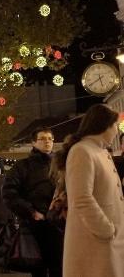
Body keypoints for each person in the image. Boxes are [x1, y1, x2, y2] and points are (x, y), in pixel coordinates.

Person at [55, 104, 124, 276]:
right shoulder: (82, 151)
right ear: (104, 125)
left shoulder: (100, 151)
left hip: (107, 240)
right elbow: (81, 197)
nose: (117, 130)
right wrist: (106, 229)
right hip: (94, 240)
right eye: (115, 125)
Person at [3, 126, 62, 277]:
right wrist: (31, 212)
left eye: (50, 139)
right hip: (35, 224)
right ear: (34, 143)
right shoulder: (22, 166)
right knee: (38, 267)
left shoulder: (60, 164)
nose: (47, 142)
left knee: (59, 266)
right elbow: (9, 194)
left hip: (59, 223)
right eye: (42, 139)